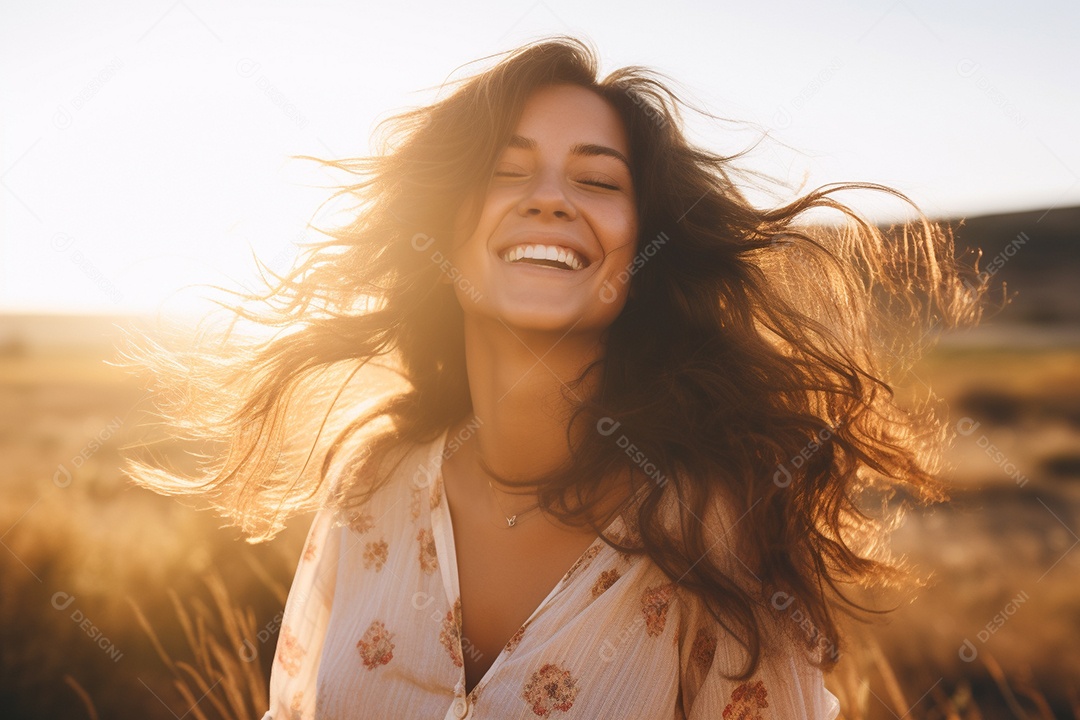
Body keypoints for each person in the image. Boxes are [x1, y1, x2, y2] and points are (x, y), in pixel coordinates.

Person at [123, 35, 983, 719]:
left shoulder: (713, 522)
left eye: (597, 180)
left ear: (642, 253)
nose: (548, 198)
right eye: (505, 169)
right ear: (446, 227)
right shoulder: (372, 479)